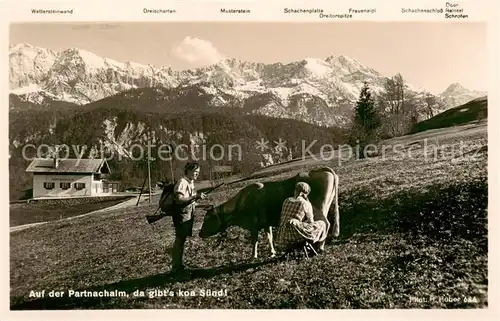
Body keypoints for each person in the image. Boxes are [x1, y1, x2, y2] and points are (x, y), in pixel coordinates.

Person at [171, 162, 206, 274]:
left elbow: (190, 202)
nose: (197, 174)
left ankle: (179, 265)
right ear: (189, 171)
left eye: (198, 172)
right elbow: (179, 199)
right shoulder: (182, 182)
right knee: (179, 240)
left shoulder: (190, 183)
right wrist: (196, 196)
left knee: (182, 241)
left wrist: (202, 205)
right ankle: (176, 267)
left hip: (187, 215)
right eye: (195, 172)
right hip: (181, 216)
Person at [276, 182, 327, 254]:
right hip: (295, 234)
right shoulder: (305, 203)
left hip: (283, 234)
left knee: (298, 224)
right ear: (304, 194)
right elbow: (311, 221)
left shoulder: (286, 201)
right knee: (322, 223)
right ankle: (319, 247)